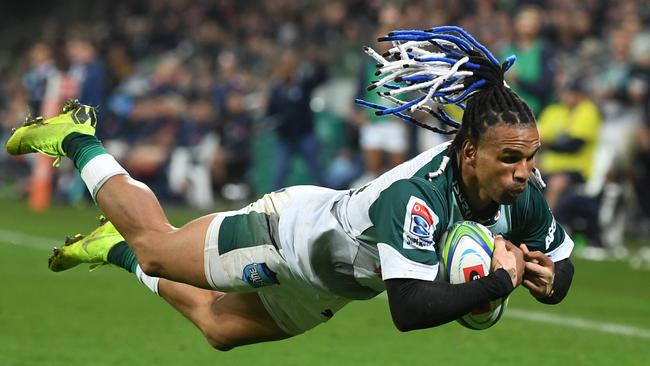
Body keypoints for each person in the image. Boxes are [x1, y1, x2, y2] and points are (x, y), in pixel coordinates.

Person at [6, 27, 574, 351]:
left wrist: (548, 278)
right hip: (286, 236)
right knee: (160, 245)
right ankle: (78, 137)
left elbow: (565, 261)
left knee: (219, 329)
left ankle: (114, 248)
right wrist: (500, 280)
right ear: (470, 153)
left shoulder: (519, 192)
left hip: (331, 285)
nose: (524, 172)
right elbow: (410, 309)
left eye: (530, 157)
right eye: (510, 159)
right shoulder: (418, 197)